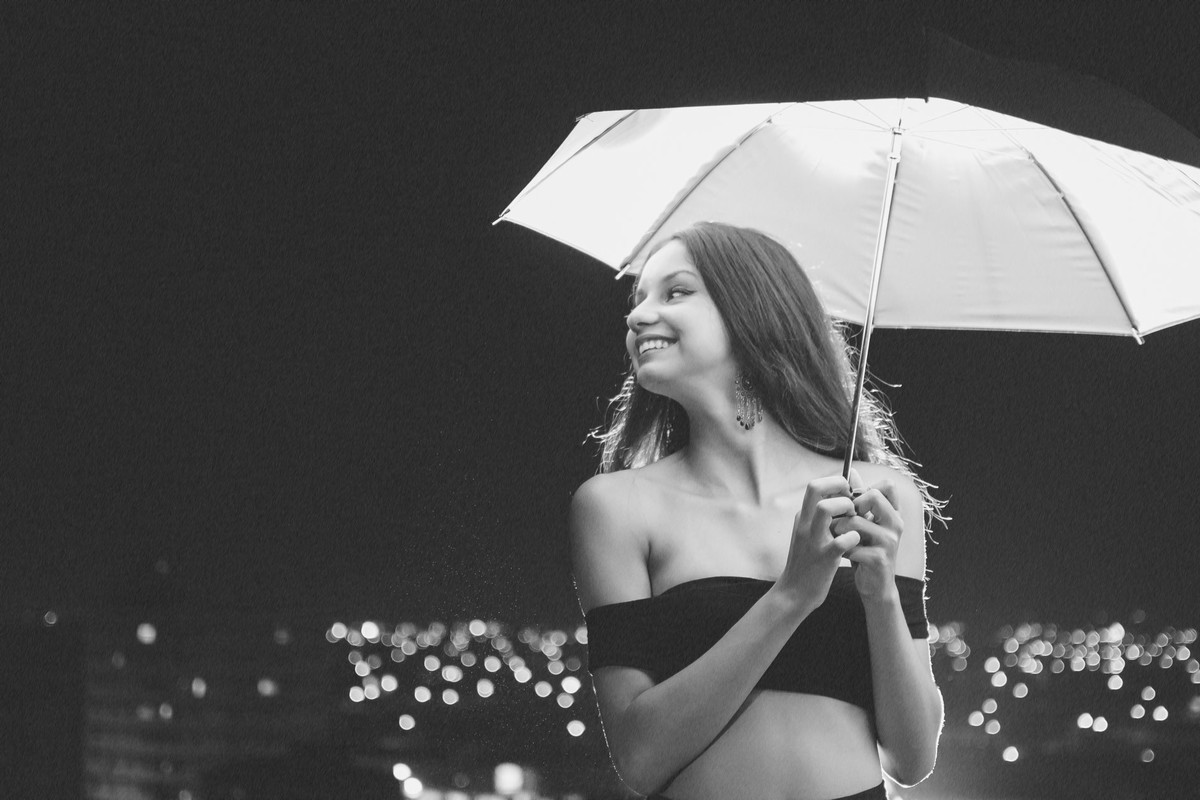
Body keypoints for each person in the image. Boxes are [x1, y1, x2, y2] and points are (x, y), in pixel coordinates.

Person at [569, 222, 944, 800]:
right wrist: (791, 596)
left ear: (751, 310)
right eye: (637, 300)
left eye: (675, 292)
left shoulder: (878, 497)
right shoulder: (616, 508)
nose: (638, 316)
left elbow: (913, 759)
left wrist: (881, 597)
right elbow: (640, 760)